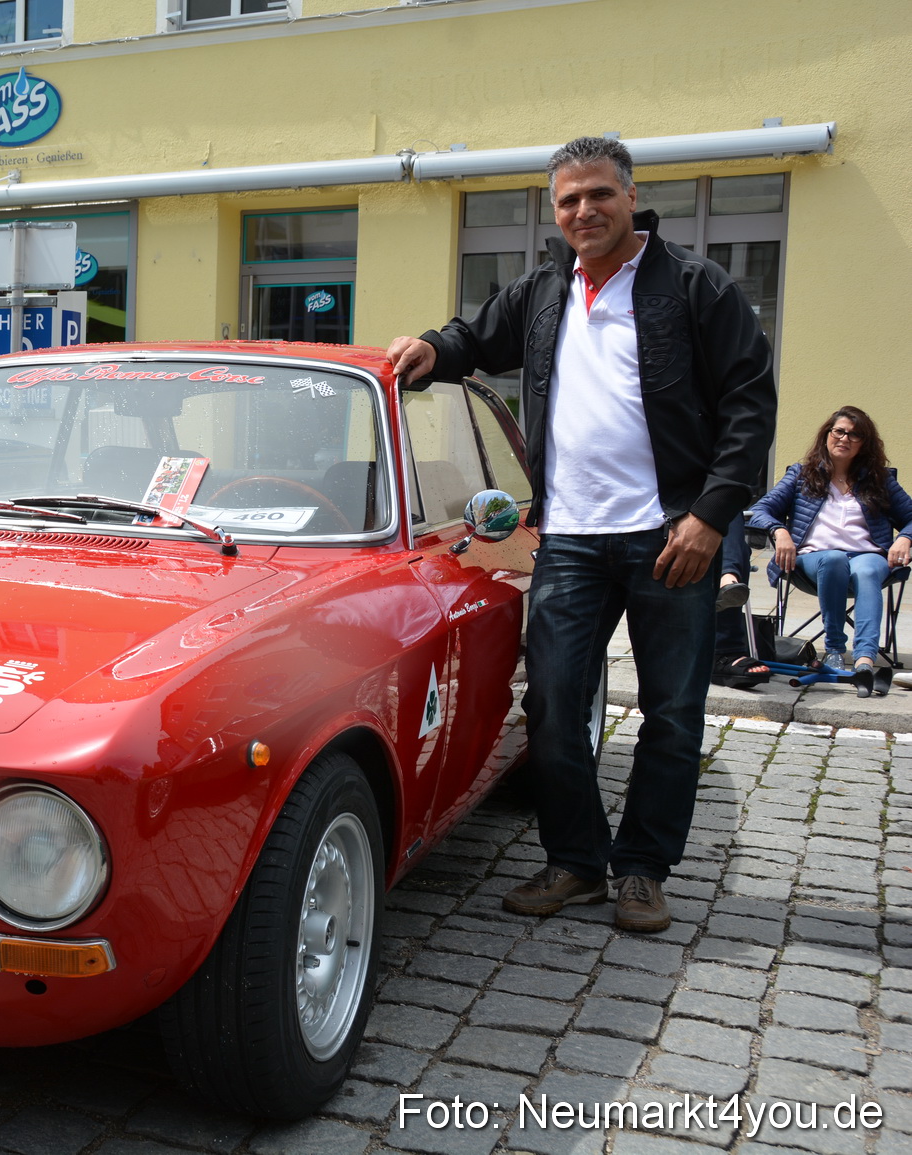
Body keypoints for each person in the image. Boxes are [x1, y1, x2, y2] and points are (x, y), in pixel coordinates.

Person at [386, 136, 776, 933]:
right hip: (567, 534)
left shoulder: (695, 287)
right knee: (556, 707)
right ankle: (575, 861)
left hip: (670, 536)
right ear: (555, 212)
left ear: (631, 197)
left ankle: (641, 871)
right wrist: (432, 346)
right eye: (568, 200)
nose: (583, 211)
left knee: (672, 713)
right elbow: (475, 338)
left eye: (598, 194)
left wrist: (710, 514)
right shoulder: (543, 292)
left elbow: (749, 404)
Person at [748, 407, 912, 697]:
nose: (845, 438)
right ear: (827, 434)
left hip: (867, 555)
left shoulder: (879, 479)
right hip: (813, 559)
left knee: (867, 569)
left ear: (865, 443)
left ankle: (864, 659)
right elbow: (760, 510)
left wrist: (905, 539)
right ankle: (835, 648)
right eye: (839, 431)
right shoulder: (801, 474)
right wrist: (780, 531)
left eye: (855, 434)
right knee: (834, 559)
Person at [713, 514, 770, 688]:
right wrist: (779, 530)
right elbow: (763, 508)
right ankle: (725, 651)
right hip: (658, 526)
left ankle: (727, 576)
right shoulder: (804, 486)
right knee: (739, 549)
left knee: (729, 507)